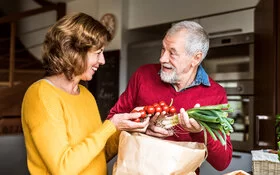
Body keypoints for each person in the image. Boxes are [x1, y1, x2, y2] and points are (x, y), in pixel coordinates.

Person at [21, 12, 149, 175]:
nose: (102, 60)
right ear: (73, 51)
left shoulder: (86, 95)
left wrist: (127, 127)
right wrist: (110, 126)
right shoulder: (41, 94)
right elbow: (64, 168)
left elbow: (99, 155)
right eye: (97, 53)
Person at [108, 20, 232, 174]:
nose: (162, 58)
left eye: (172, 53)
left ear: (196, 58)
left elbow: (223, 162)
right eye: (163, 49)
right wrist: (141, 128)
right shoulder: (143, 75)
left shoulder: (215, 94)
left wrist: (200, 131)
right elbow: (112, 122)